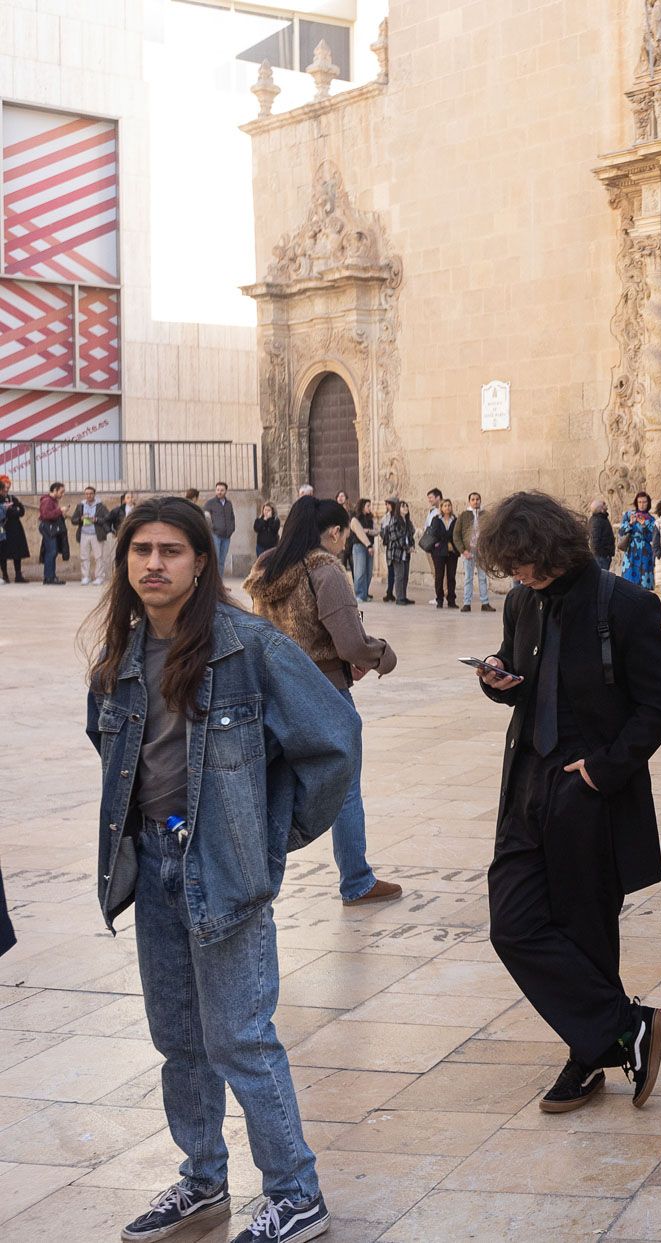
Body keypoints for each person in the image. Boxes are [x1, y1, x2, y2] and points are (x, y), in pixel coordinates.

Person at [88, 497, 357, 1243]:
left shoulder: (250, 647)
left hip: (224, 867)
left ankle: (296, 1192)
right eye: (140, 549)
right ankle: (202, 1180)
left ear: (201, 561)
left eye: (170, 549)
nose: (152, 563)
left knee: (240, 1035)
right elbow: (108, 744)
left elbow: (335, 739)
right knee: (178, 1036)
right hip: (153, 861)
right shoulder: (121, 653)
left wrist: (269, 835)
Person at [473, 491, 661, 1112]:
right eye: (509, 566)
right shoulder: (521, 602)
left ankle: (588, 1053)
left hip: (590, 791)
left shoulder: (627, 606)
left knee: (587, 930)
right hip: (526, 786)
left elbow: (659, 704)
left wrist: (603, 771)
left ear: (552, 548)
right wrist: (497, 680)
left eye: (524, 563)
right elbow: (523, 680)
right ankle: (624, 1024)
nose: (517, 576)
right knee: (512, 924)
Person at [244, 496, 405, 908]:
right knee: (345, 787)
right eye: (343, 535)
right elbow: (351, 642)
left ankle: (254, 883)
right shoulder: (325, 570)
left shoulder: (266, 567)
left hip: (274, 694)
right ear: (334, 533)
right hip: (325, 695)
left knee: (275, 790)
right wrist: (382, 655)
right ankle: (357, 881)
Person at [453, 491, 494, 612]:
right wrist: (462, 550)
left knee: (482, 577)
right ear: (469, 501)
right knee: (468, 578)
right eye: (473, 499)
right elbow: (456, 534)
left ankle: (485, 602)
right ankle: (467, 603)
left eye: (477, 499)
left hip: (481, 551)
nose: (475, 501)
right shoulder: (464, 515)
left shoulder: (486, 515)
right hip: (468, 551)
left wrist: (487, 548)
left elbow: (491, 532)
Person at [421, 496, 459, 608]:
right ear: (441, 508)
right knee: (439, 576)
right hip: (439, 552)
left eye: (449, 505)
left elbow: (456, 534)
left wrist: (447, 539)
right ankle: (440, 599)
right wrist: (447, 538)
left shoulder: (455, 520)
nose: (447, 508)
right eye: (445, 506)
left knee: (451, 576)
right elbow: (435, 534)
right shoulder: (436, 520)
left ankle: (451, 600)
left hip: (452, 552)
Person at [617, 491, 658, 590]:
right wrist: (630, 524)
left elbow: (652, 537)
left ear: (648, 503)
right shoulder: (628, 515)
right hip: (631, 549)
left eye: (644, 502)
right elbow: (621, 532)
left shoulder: (652, 519)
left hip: (645, 551)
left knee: (644, 582)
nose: (642, 504)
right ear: (636, 503)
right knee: (629, 580)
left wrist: (644, 525)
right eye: (639, 502)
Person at [71, 484, 109, 585]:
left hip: (97, 534)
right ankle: (85, 577)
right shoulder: (80, 506)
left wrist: (96, 519)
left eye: (91, 494)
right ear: (85, 495)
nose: (89, 496)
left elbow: (107, 518)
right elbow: (73, 520)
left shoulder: (101, 506)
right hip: (84, 534)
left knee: (99, 557)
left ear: (94, 494)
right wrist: (80, 519)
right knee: (84, 557)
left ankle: (100, 577)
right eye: (87, 494)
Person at [380, 498, 416, 605]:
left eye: (406, 506)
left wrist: (412, 545)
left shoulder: (408, 522)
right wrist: (406, 547)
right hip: (397, 552)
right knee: (399, 575)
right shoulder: (394, 521)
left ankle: (403, 596)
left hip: (406, 552)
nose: (405, 508)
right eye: (402, 506)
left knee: (405, 575)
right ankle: (399, 598)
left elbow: (410, 536)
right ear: (398, 509)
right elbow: (396, 537)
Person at [346, 498, 377, 602]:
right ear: (362, 506)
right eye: (368, 505)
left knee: (368, 571)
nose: (370, 508)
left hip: (369, 546)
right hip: (359, 546)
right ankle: (359, 595)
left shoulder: (371, 519)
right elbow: (357, 531)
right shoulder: (355, 519)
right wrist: (368, 533)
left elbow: (376, 531)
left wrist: (367, 531)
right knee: (360, 571)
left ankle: (365, 593)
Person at [38, 482, 68, 584]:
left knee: (52, 552)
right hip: (48, 527)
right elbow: (46, 515)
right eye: (61, 492)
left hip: (50, 527)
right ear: (54, 490)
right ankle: (49, 577)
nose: (62, 495)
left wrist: (61, 513)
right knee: (51, 552)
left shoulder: (53, 501)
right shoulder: (47, 501)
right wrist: (60, 511)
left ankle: (50, 576)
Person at [203, 482, 236, 576]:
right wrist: (213, 529)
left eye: (222, 490)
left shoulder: (229, 504)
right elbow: (206, 518)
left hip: (226, 536)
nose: (219, 492)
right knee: (215, 560)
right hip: (215, 536)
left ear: (226, 491)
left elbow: (232, 517)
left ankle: (219, 583)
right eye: (217, 490)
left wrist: (231, 529)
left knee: (222, 561)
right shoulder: (210, 503)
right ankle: (214, 583)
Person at [0, 476, 28, 583]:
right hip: (4, 528)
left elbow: (21, 511)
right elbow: (9, 512)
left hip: (15, 528)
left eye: (8, 487)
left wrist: (13, 510)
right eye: (4, 487)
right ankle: (5, 575)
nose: (6, 489)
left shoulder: (12, 498)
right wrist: (12, 510)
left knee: (17, 552)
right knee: (3, 553)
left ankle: (18, 575)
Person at [589, 498, 616, 572]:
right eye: (603, 504)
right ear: (600, 509)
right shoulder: (597, 521)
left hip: (604, 556)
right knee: (601, 578)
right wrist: (602, 554)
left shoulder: (602, 518)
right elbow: (594, 541)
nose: (606, 505)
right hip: (601, 557)